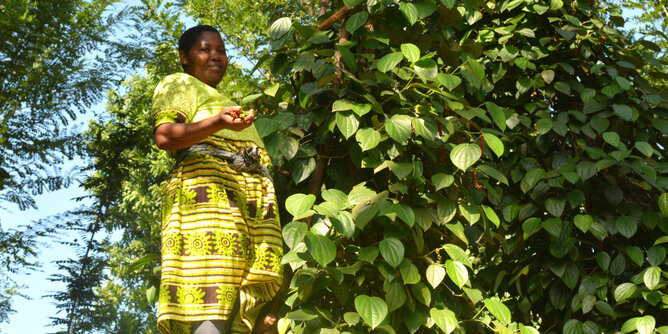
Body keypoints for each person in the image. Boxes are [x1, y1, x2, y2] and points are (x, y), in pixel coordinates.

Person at [152, 25, 282, 334]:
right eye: (205, 49)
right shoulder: (179, 83)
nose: (216, 57)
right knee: (211, 294)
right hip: (208, 201)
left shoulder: (225, 101)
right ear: (184, 57)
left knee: (239, 306)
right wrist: (215, 122)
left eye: (221, 51)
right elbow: (164, 135)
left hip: (247, 207)